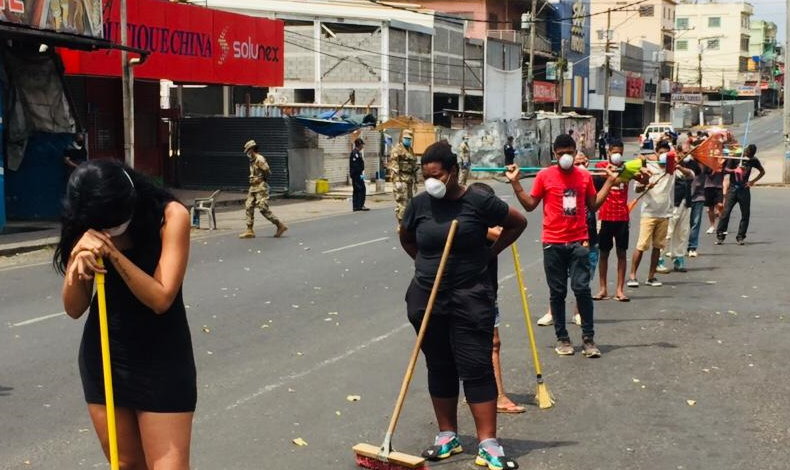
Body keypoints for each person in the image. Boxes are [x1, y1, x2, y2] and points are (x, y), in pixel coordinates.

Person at [54, 160, 196, 469]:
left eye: (113, 223)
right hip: (106, 354)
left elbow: (161, 298)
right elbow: (74, 308)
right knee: (127, 464)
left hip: (162, 358)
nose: (109, 231)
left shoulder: (170, 216)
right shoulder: (86, 218)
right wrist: (80, 255)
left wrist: (113, 255)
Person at [400, 142, 526, 469]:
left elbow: (517, 222)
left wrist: (490, 252)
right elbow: (407, 237)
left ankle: (488, 443)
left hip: (470, 296)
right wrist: (424, 265)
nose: (432, 182)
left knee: (475, 366)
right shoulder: (419, 205)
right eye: (426, 176)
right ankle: (447, 437)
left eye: (437, 175)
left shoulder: (477, 200)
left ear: (453, 172)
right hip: (427, 296)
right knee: (439, 365)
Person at [506, 134, 618, 358]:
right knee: (557, 292)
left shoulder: (584, 176)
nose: (566, 157)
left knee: (582, 290)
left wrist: (609, 182)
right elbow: (529, 205)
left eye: (570, 152)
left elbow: (593, 205)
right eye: (561, 153)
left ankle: (588, 339)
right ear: (554, 155)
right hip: (553, 242)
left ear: (575, 152)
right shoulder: (545, 176)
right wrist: (516, 183)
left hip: (579, 241)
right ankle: (562, 338)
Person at [468, 182, 526, 415]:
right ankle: (497, 395)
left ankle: (485, 392)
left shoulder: (484, 227)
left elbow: (503, 231)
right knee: (489, 343)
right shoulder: (473, 227)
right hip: (474, 293)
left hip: (486, 291)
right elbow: (499, 231)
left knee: (491, 343)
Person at [536, 151, 602, 326]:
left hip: (584, 238)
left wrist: (611, 179)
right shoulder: (563, 182)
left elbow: (594, 204)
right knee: (558, 287)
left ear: (587, 163)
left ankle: (578, 314)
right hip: (561, 240)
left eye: (581, 162)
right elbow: (569, 211)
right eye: (577, 162)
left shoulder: (590, 178)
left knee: (581, 285)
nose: (578, 164)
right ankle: (553, 314)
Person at [627, 141, 674, 288]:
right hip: (648, 214)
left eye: (667, 153)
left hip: (664, 214)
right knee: (641, 246)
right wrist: (646, 184)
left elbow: (690, 173)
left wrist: (678, 164)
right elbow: (637, 189)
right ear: (657, 153)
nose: (664, 156)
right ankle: (633, 276)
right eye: (661, 153)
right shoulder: (647, 167)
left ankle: (651, 276)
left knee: (657, 247)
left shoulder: (671, 169)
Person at [592, 139, 635, 302]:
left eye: (620, 152)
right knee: (603, 253)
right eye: (614, 151)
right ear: (609, 152)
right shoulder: (600, 168)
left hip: (622, 216)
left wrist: (643, 174)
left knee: (622, 253)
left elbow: (643, 179)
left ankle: (619, 290)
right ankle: (602, 288)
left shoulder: (627, 168)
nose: (617, 155)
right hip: (605, 216)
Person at [716, 144, 765, 245]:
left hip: (744, 189)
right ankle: (720, 235)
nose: (748, 156)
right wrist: (735, 170)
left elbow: (762, 171)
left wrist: (752, 181)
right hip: (733, 188)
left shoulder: (753, 160)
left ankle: (740, 237)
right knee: (726, 212)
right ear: (745, 151)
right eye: (748, 154)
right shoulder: (737, 156)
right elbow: (725, 169)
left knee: (745, 214)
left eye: (751, 155)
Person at [239, 140, 288, 239]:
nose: (247, 152)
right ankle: (249, 230)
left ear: (252, 149)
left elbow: (267, 171)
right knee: (248, 206)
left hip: (260, 186)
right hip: (253, 187)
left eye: (248, 150)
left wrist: (261, 180)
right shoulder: (252, 160)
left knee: (262, 208)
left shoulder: (259, 159)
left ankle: (280, 225)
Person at [657, 151, 696, 273]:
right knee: (667, 234)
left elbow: (691, 175)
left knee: (682, 233)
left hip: (686, 204)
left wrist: (680, 167)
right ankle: (658, 259)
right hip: (672, 206)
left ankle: (678, 258)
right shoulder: (665, 173)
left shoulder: (683, 170)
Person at [390, 129, 418, 223]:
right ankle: (401, 224)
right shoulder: (397, 149)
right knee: (402, 203)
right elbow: (394, 166)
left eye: (409, 139)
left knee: (410, 203)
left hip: (409, 180)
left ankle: (407, 222)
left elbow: (413, 166)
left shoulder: (410, 150)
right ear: (402, 138)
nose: (408, 140)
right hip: (401, 180)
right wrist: (397, 181)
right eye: (406, 138)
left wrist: (416, 181)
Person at [686, 155, 707, 258]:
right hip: (684, 197)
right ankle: (676, 248)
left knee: (695, 223)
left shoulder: (705, 165)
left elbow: (714, 171)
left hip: (699, 197)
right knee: (681, 224)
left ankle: (692, 247)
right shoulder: (686, 162)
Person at [703, 151, 725, 235]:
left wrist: (722, 163)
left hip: (719, 186)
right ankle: (712, 226)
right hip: (709, 186)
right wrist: (715, 166)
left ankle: (721, 224)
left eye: (719, 155)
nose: (717, 156)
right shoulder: (708, 164)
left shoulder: (723, 163)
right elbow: (709, 174)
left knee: (720, 205)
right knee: (710, 208)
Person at [349, 138, 369, 212]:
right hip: (356, 175)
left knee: (358, 190)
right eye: (362, 145)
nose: (362, 146)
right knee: (361, 189)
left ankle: (357, 206)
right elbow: (355, 165)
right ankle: (359, 205)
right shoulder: (355, 153)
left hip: (358, 174)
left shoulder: (357, 153)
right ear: (359, 145)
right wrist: (358, 173)